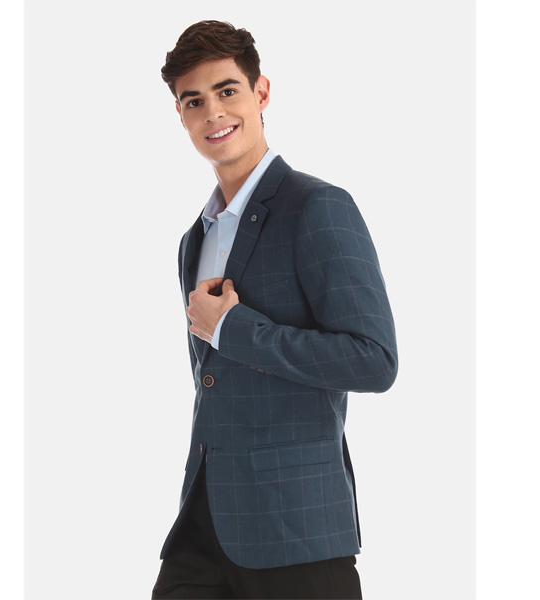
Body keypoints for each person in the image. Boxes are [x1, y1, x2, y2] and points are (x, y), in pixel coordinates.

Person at [152, 20, 398, 600]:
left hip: (296, 531)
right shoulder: (194, 239)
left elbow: (373, 360)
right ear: (181, 116)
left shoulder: (318, 207)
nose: (213, 112)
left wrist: (235, 328)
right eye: (194, 100)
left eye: (227, 90)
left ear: (261, 93)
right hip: (204, 525)